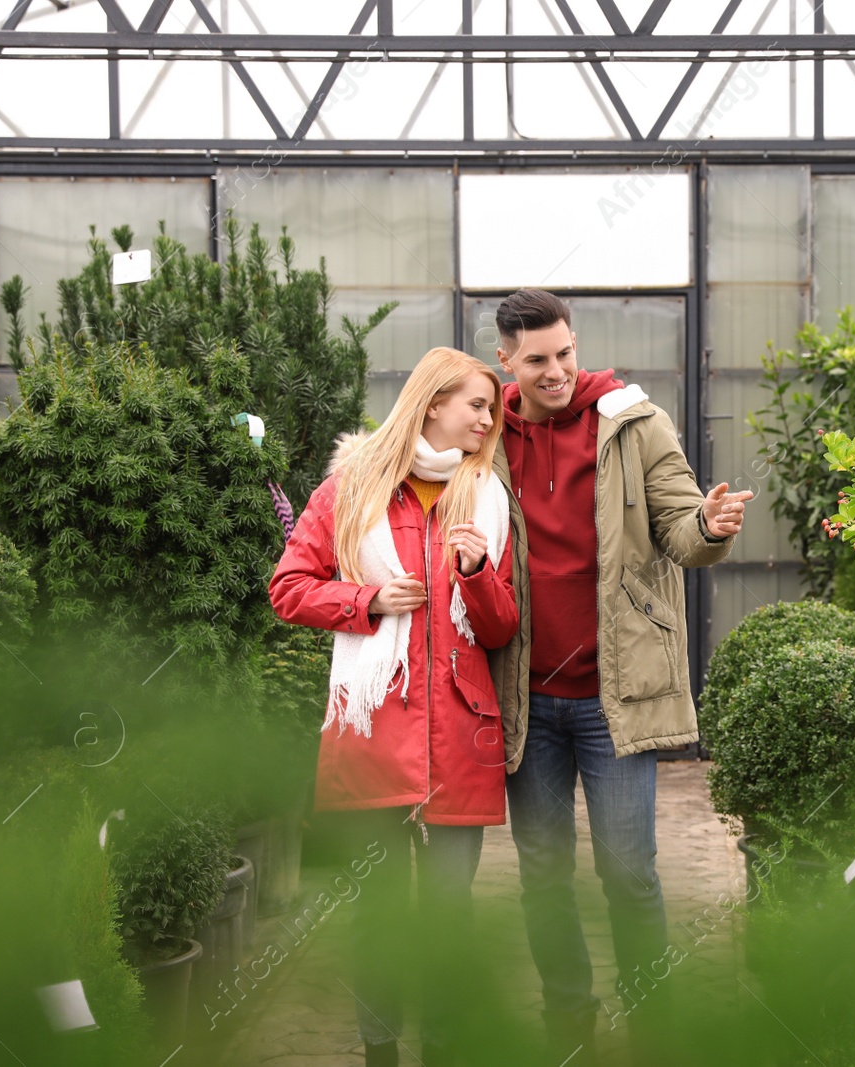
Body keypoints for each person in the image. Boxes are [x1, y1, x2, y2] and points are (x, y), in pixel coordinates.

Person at [487, 289, 751, 1063]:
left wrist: (709, 526)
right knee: (542, 874)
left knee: (629, 870)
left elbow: (678, 528)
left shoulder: (634, 423)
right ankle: (568, 1013)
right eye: (537, 359)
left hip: (616, 695)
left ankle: (652, 1017)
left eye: (564, 352)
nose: (556, 370)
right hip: (527, 697)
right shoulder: (486, 438)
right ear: (506, 360)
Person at [269, 346, 517, 1067]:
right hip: (373, 731)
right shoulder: (352, 488)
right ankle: (380, 1051)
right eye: (476, 403)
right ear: (433, 401)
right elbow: (288, 587)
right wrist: (366, 599)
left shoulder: (488, 498)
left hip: (461, 739)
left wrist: (474, 575)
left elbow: (501, 628)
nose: (487, 419)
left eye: (491, 408)